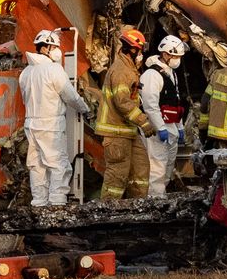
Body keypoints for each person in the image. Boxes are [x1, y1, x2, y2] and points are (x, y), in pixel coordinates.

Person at [19, 29, 89, 207]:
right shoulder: (54, 69)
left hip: (31, 123)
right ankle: (57, 203)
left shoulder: (25, 73)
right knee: (58, 164)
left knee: (37, 165)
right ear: (44, 48)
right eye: (54, 47)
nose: (58, 50)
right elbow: (70, 96)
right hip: (50, 124)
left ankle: (39, 202)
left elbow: (24, 98)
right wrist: (84, 108)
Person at [95, 28, 156, 200]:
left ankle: (137, 205)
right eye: (140, 50)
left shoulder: (129, 69)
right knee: (117, 175)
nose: (141, 55)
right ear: (133, 50)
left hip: (128, 131)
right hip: (116, 132)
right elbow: (122, 102)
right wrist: (143, 121)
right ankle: (108, 209)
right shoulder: (121, 71)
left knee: (140, 168)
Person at [139, 35, 189, 197]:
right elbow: (150, 105)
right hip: (157, 128)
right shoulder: (152, 75)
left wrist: (180, 127)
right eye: (175, 56)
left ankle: (162, 194)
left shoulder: (170, 73)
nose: (177, 60)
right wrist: (160, 128)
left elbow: (174, 102)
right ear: (166, 54)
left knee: (168, 164)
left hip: (171, 126)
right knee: (157, 165)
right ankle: (155, 198)